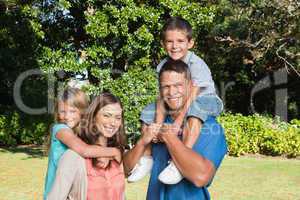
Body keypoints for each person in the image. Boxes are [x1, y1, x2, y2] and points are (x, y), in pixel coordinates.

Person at [127, 16, 223, 184]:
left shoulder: (196, 64)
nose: (175, 46)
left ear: (190, 43)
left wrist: (178, 122)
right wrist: (156, 125)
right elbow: (161, 96)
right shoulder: (163, 64)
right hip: (183, 101)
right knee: (148, 110)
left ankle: (178, 162)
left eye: (180, 41)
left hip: (205, 99)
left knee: (195, 110)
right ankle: (147, 157)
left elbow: (193, 95)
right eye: (169, 42)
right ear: (164, 44)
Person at [123, 59, 227, 200]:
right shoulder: (154, 124)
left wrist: (169, 137)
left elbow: (201, 177)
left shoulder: (210, 128)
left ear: (190, 86)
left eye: (178, 85)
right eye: (166, 87)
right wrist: (142, 142)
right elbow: (125, 170)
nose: (171, 92)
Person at [44, 88, 122, 199]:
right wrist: (113, 152)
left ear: (82, 111)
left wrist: (103, 153)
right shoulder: (61, 129)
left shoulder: (78, 132)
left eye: (72, 111)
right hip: (56, 192)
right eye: (62, 111)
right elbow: (84, 150)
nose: (67, 116)